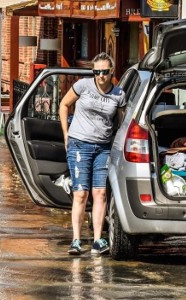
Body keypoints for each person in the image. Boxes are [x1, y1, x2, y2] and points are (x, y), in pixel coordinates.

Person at [59, 52, 126, 255]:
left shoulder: (119, 94)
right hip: (79, 145)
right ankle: (77, 240)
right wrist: (66, 134)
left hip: (103, 147)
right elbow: (64, 105)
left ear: (112, 71)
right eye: (96, 72)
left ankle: (97, 241)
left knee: (100, 193)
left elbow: (120, 123)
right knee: (81, 193)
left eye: (105, 72)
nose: (100, 76)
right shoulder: (83, 86)